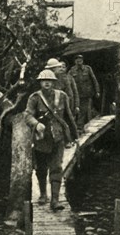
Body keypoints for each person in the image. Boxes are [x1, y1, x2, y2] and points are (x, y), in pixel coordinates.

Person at [25, 69, 78, 211]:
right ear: (40, 82)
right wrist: (36, 124)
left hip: (58, 138)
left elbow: (68, 117)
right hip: (41, 139)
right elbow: (28, 115)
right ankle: (43, 194)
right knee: (41, 169)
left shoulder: (62, 96)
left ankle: (55, 200)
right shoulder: (34, 98)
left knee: (56, 168)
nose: (47, 83)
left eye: (49, 81)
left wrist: (75, 136)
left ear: (53, 82)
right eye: (44, 80)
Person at [68, 54, 100, 132]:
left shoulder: (88, 69)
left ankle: (85, 126)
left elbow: (94, 80)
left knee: (86, 110)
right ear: (75, 61)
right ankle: (79, 127)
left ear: (83, 61)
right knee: (79, 111)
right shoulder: (71, 71)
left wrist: (97, 91)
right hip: (77, 95)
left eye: (80, 60)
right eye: (77, 60)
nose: (79, 62)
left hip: (87, 94)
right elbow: (68, 83)